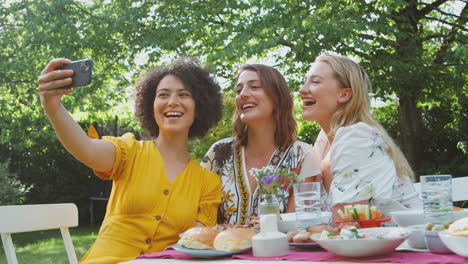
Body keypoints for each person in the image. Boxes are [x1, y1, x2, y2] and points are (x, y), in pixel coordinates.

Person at [37, 58, 223, 263]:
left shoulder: (208, 183)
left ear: (199, 107)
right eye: (163, 94)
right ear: (151, 106)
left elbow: (196, 246)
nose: (172, 101)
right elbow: (87, 149)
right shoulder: (129, 151)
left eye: (184, 94)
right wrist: (53, 108)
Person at [298, 53, 421, 222]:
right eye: (305, 81)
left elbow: (349, 224)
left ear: (344, 95)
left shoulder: (357, 138)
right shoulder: (324, 141)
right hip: (366, 243)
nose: (302, 89)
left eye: (315, 81)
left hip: (402, 243)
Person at [201, 64, 322, 225]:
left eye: (254, 87)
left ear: (277, 97)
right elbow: (199, 214)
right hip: (220, 249)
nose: (243, 94)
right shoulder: (218, 152)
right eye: (238, 90)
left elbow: (298, 226)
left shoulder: (302, 155)